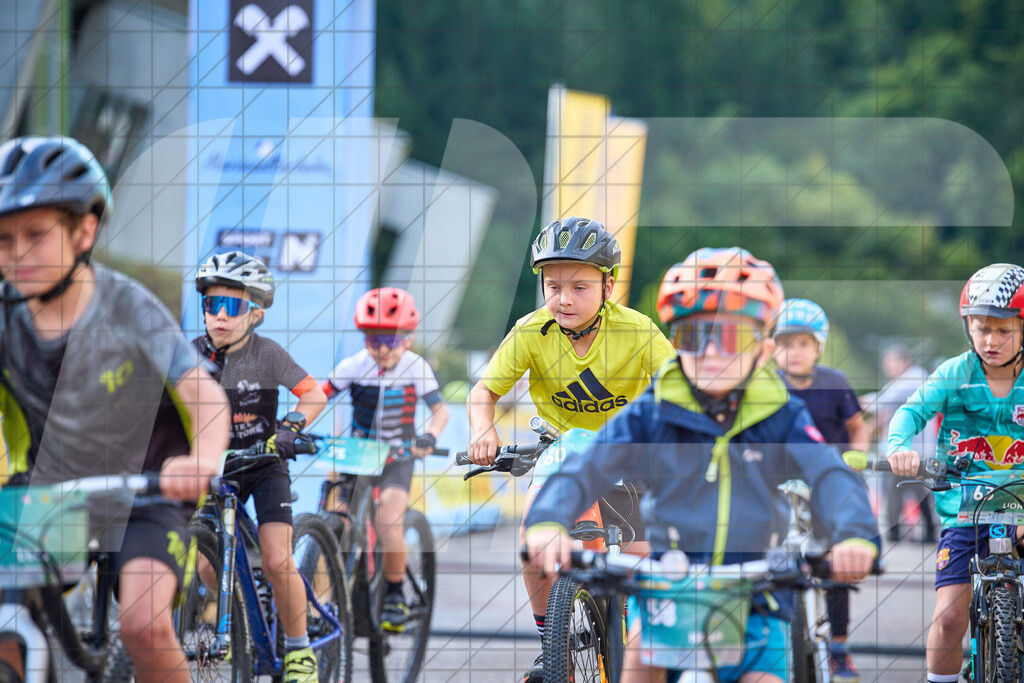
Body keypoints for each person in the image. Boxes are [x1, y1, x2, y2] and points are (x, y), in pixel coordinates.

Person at [525, 247, 879, 683]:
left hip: (758, 598)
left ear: (764, 349)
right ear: (675, 344)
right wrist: (546, 519)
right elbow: (591, 463)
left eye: (730, 338)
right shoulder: (654, 408)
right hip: (670, 591)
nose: (711, 352)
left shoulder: (779, 412)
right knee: (638, 662)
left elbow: (829, 471)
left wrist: (855, 533)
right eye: (694, 338)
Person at [0, 135, 230, 682]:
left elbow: (205, 397)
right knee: (6, 619)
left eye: (36, 235)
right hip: (53, 491)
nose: (16, 254)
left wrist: (200, 462)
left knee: (144, 626)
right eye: (3, 239)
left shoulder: (127, 306)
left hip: (149, 488)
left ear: (85, 230)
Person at [465, 216, 676, 682]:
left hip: (630, 454)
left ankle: (647, 647)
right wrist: (484, 431)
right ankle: (551, 642)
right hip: (562, 452)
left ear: (607, 285)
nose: (563, 298)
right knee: (532, 549)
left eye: (580, 286)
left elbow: (680, 388)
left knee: (643, 566)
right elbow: (483, 393)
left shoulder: (638, 331)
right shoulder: (530, 331)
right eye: (553, 285)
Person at [193, 250, 327, 682]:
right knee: (206, 566)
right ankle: (250, 614)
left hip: (265, 464)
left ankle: (299, 649)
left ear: (255, 313)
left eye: (231, 306)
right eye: (211, 305)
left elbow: (314, 394)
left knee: (275, 560)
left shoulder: (267, 353)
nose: (219, 316)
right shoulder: (191, 356)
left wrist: (290, 425)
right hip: (215, 467)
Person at [887, 263, 1024, 683]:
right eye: (982, 328)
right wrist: (899, 447)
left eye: (1004, 330)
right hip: (966, 511)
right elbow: (910, 412)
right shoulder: (955, 373)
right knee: (948, 617)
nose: (992, 340)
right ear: (967, 326)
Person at [322, 287, 449, 631]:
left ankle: (394, 592)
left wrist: (429, 438)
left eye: (390, 341)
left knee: (389, 520)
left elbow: (440, 413)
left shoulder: (415, 367)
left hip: (398, 456)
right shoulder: (354, 365)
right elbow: (320, 396)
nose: (381, 349)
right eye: (372, 339)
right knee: (340, 516)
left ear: (407, 340)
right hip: (360, 455)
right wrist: (296, 424)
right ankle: (337, 582)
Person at [772, 298, 870, 683]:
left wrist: (856, 459)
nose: (793, 352)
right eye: (785, 343)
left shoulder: (835, 383)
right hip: (780, 482)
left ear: (818, 347)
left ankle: (840, 648)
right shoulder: (767, 384)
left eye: (802, 344)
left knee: (836, 562)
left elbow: (858, 427)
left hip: (828, 481)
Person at [866, 341, 937, 542]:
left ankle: (901, 533)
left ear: (903, 360)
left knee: (904, 492)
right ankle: (913, 532)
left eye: (889, 362)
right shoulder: (904, 379)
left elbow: (882, 400)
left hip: (913, 451)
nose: (886, 366)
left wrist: (853, 403)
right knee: (914, 493)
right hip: (907, 450)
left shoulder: (914, 377)